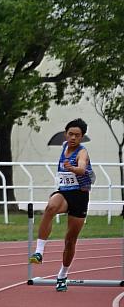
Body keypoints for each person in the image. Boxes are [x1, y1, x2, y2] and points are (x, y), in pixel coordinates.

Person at [29, 118, 95, 292]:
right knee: (50, 207)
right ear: (66, 134)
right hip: (64, 192)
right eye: (70, 134)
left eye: (77, 135)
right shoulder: (64, 147)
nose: (73, 138)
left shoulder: (82, 152)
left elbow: (81, 167)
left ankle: (62, 275)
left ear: (82, 137)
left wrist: (73, 168)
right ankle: (39, 252)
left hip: (80, 197)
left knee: (70, 240)